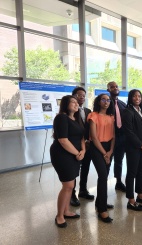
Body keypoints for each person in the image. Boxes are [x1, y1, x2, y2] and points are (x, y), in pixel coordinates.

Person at [50, 95, 85, 228]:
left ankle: (66, 211)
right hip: (62, 155)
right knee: (68, 185)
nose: (76, 104)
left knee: (71, 184)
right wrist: (77, 153)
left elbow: (82, 138)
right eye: (73, 102)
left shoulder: (75, 119)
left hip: (75, 155)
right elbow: (63, 140)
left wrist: (83, 151)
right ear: (65, 104)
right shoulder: (61, 118)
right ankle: (59, 216)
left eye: (77, 102)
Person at [122, 89, 142, 211]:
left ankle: (140, 195)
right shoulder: (127, 112)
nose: (137, 98)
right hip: (134, 148)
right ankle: (131, 200)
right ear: (130, 98)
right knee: (132, 173)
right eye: (134, 96)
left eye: (139, 96)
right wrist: (141, 146)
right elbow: (129, 132)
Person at [88, 93, 115, 223]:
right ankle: (102, 210)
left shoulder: (111, 117)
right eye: (103, 99)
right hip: (97, 147)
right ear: (99, 101)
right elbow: (93, 137)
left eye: (108, 100)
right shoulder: (93, 116)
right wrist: (105, 153)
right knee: (103, 176)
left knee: (104, 176)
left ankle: (100, 202)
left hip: (109, 148)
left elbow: (114, 136)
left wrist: (110, 152)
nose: (106, 102)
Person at [70, 87, 94, 207]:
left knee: (85, 168)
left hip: (88, 145)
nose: (82, 97)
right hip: (75, 145)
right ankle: (71, 194)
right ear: (73, 96)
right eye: (79, 95)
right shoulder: (70, 112)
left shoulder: (88, 110)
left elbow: (90, 128)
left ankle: (83, 190)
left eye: (84, 95)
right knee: (74, 171)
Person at [107, 81, 127, 192]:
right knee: (108, 161)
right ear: (108, 89)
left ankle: (118, 182)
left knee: (119, 160)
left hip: (121, 137)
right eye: (112, 87)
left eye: (116, 86)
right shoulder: (105, 103)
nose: (115, 88)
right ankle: (103, 182)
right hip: (109, 137)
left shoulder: (122, 104)